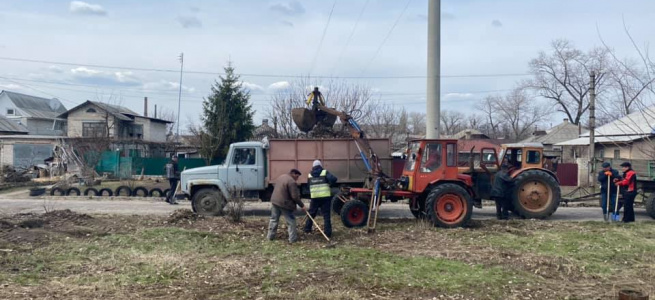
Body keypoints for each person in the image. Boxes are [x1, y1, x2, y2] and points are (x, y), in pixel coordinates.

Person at [268, 169, 306, 243]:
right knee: (291, 221)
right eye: (297, 176)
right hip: (284, 204)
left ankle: (270, 237)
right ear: (293, 174)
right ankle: (292, 239)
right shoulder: (291, 181)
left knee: (273, 219)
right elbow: (295, 196)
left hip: (275, 201)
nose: (297, 178)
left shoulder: (281, 177)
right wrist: (302, 205)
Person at [304, 160, 338, 238]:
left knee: (312, 213)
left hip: (315, 197)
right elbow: (334, 179)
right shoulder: (325, 172)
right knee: (326, 215)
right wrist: (330, 184)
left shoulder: (310, 175)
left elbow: (308, 187)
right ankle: (328, 233)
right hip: (325, 197)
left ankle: (307, 229)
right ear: (320, 165)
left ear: (313, 166)